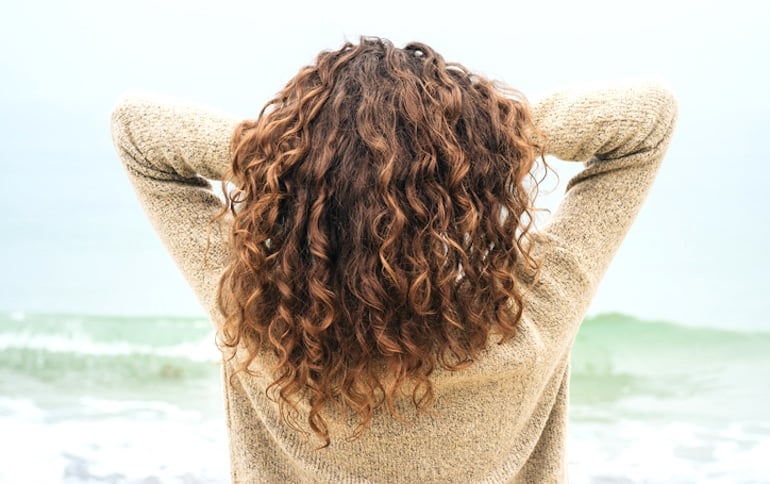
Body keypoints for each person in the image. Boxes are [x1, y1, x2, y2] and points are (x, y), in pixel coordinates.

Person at [110, 36, 677, 483]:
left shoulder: (258, 319)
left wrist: (291, 153)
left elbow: (136, 129)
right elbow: (648, 117)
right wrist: (478, 139)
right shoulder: (529, 320)